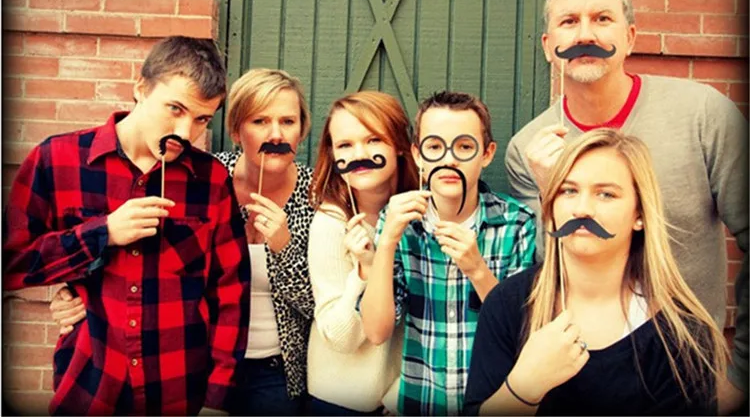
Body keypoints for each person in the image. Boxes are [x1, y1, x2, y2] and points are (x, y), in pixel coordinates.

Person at [503, 0, 748, 411]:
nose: (585, 35)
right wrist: (548, 192)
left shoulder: (704, 115)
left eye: (602, 19)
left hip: (690, 380)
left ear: (630, 36)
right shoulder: (528, 149)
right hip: (577, 380)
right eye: (569, 22)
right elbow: (549, 271)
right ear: (548, 45)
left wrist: (742, 374)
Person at [3, 36, 250, 415]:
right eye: (175, 109)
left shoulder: (211, 179)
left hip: (180, 391)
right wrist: (103, 234)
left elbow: (231, 295)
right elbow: (13, 261)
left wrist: (217, 400)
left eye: (202, 119)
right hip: (90, 387)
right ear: (140, 88)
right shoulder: (58, 160)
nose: (186, 133)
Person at [48, 68, 317, 415]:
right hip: (195, 365)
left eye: (288, 121)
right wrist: (74, 292)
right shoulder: (204, 177)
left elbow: (320, 309)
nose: (276, 133)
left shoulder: (318, 196)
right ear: (236, 130)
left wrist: (285, 248)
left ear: (302, 130)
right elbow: (137, 256)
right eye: (260, 121)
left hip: (276, 372)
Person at [465, 129, 728, 415]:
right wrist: (522, 388)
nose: (582, 209)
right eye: (569, 191)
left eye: (606, 194)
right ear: (550, 207)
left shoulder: (681, 337)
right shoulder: (507, 304)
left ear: (639, 215)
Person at [360, 91, 537, 415]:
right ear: (417, 155)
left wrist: (478, 270)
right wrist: (386, 243)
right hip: (422, 403)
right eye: (434, 147)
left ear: (487, 154)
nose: (449, 159)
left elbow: (524, 332)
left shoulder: (517, 223)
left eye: (465, 147)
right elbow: (376, 331)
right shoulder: (399, 222)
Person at [306, 91, 418, 415]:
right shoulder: (332, 224)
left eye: (373, 140)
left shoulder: (418, 215)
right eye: (345, 145)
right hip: (342, 401)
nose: (359, 155)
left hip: (403, 400)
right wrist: (363, 273)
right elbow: (340, 338)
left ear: (399, 145)